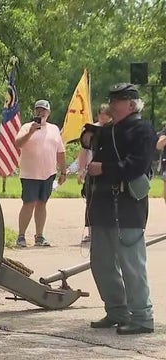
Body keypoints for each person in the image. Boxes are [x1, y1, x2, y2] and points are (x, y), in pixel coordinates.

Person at [80, 83, 155, 335]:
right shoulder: (108, 130)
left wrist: (105, 169)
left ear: (131, 105)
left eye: (118, 100)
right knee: (101, 262)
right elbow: (88, 141)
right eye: (111, 99)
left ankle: (142, 317)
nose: (112, 104)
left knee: (131, 264)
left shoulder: (143, 129)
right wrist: (88, 136)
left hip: (127, 204)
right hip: (102, 204)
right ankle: (116, 311)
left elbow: (137, 165)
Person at [14, 100, 67, 247]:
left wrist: (63, 171)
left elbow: (61, 152)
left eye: (43, 110)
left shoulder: (54, 129)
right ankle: (21, 236)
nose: (40, 112)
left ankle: (39, 236)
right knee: (28, 204)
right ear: (34, 112)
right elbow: (18, 143)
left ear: (48, 113)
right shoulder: (26, 127)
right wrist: (31, 131)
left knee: (42, 204)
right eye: (38, 110)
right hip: (30, 173)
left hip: (48, 173)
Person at [77, 104, 112, 243]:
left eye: (106, 115)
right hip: (92, 171)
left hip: (108, 171)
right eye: (101, 114)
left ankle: (107, 231)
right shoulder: (91, 130)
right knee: (91, 202)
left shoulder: (114, 130)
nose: (103, 117)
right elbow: (84, 151)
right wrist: (80, 170)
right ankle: (92, 232)